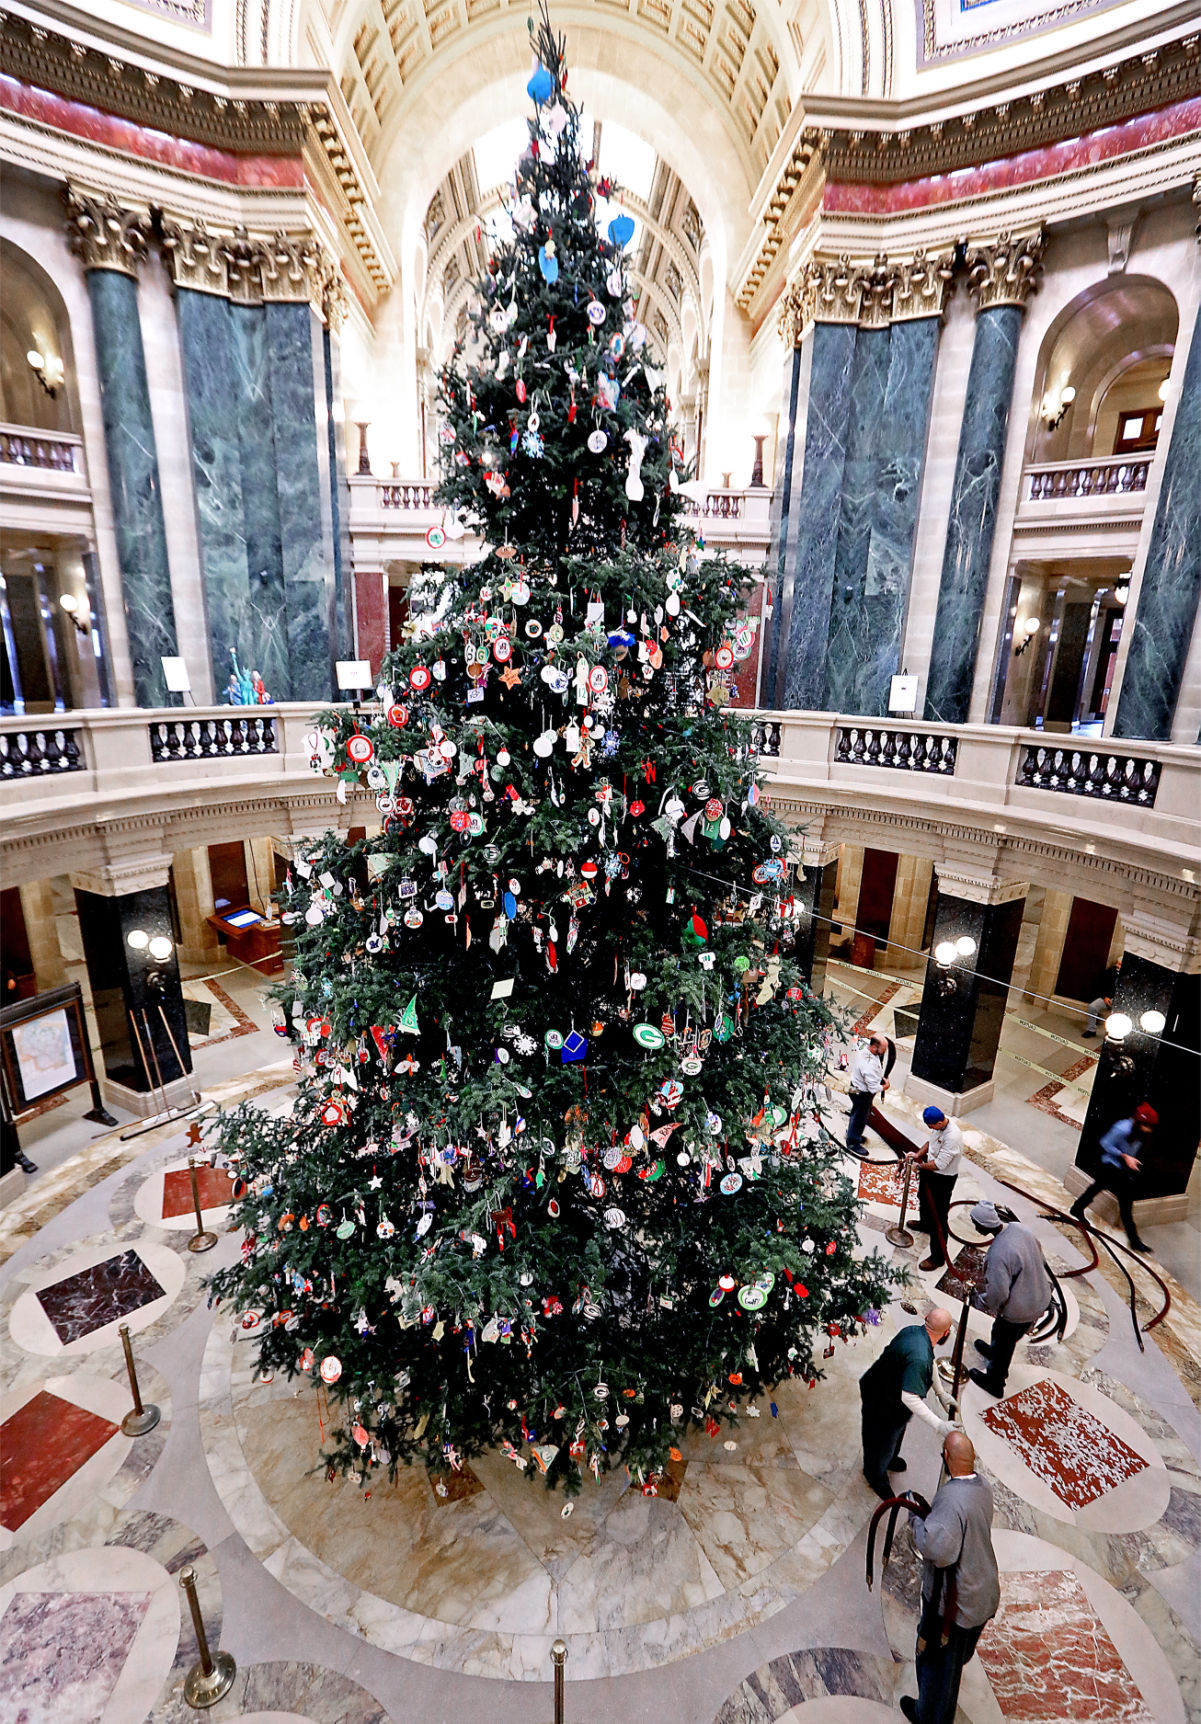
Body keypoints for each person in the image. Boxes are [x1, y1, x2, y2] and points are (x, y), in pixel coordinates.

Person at [900, 1430, 999, 1724]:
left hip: (956, 1606)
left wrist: (916, 1521)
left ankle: (928, 1715)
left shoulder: (951, 1497)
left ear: (946, 1457)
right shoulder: (983, 1487)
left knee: (935, 1664)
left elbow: (937, 1548)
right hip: (984, 1593)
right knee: (955, 1659)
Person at [859, 1307, 956, 1499]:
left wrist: (940, 1392)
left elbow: (930, 1360)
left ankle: (889, 1459)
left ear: (926, 1318)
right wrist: (940, 1425)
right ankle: (875, 1476)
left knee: (894, 1437)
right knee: (881, 1442)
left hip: (888, 1395)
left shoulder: (914, 1331)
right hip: (883, 1404)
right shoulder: (919, 1356)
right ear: (946, 1333)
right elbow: (910, 1397)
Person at [965, 1201, 1052, 1397]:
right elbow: (1041, 1259)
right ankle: (994, 1352)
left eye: (975, 1223)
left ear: (983, 1225)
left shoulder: (998, 1253)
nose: (975, 1227)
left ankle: (995, 1382)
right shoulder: (1019, 1228)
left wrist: (979, 1300)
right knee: (1003, 1335)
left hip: (1019, 1309)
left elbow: (999, 1293)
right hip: (1039, 1298)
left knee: (1005, 1340)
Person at [1069, 1103, 1157, 1252]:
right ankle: (1134, 1240)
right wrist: (1124, 1156)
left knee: (1100, 1189)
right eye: (1148, 1126)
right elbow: (1105, 1143)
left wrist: (1131, 1160)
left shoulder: (1139, 1133)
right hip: (1111, 1166)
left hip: (1122, 1168)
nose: (1150, 1130)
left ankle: (1077, 1208)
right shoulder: (1122, 1128)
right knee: (1123, 1203)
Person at [909, 1107, 963, 1272]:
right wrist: (917, 1154)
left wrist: (919, 1167)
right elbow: (929, 1143)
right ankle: (925, 1224)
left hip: (943, 1179)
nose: (930, 1128)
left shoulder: (952, 1137)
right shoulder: (939, 1127)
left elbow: (939, 1165)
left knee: (938, 1218)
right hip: (930, 1172)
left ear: (940, 1122)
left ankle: (938, 1258)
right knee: (923, 1199)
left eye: (931, 1125)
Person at [845, 1032, 889, 1159]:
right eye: (883, 1050)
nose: (884, 1052)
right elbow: (873, 1088)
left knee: (855, 1112)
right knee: (860, 1116)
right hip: (862, 1093)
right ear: (874, 1047)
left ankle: (852, 1133)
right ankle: (853, 1142)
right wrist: (885, 1086)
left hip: (853, 1086)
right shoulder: (869, 1067)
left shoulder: (863, 1045)